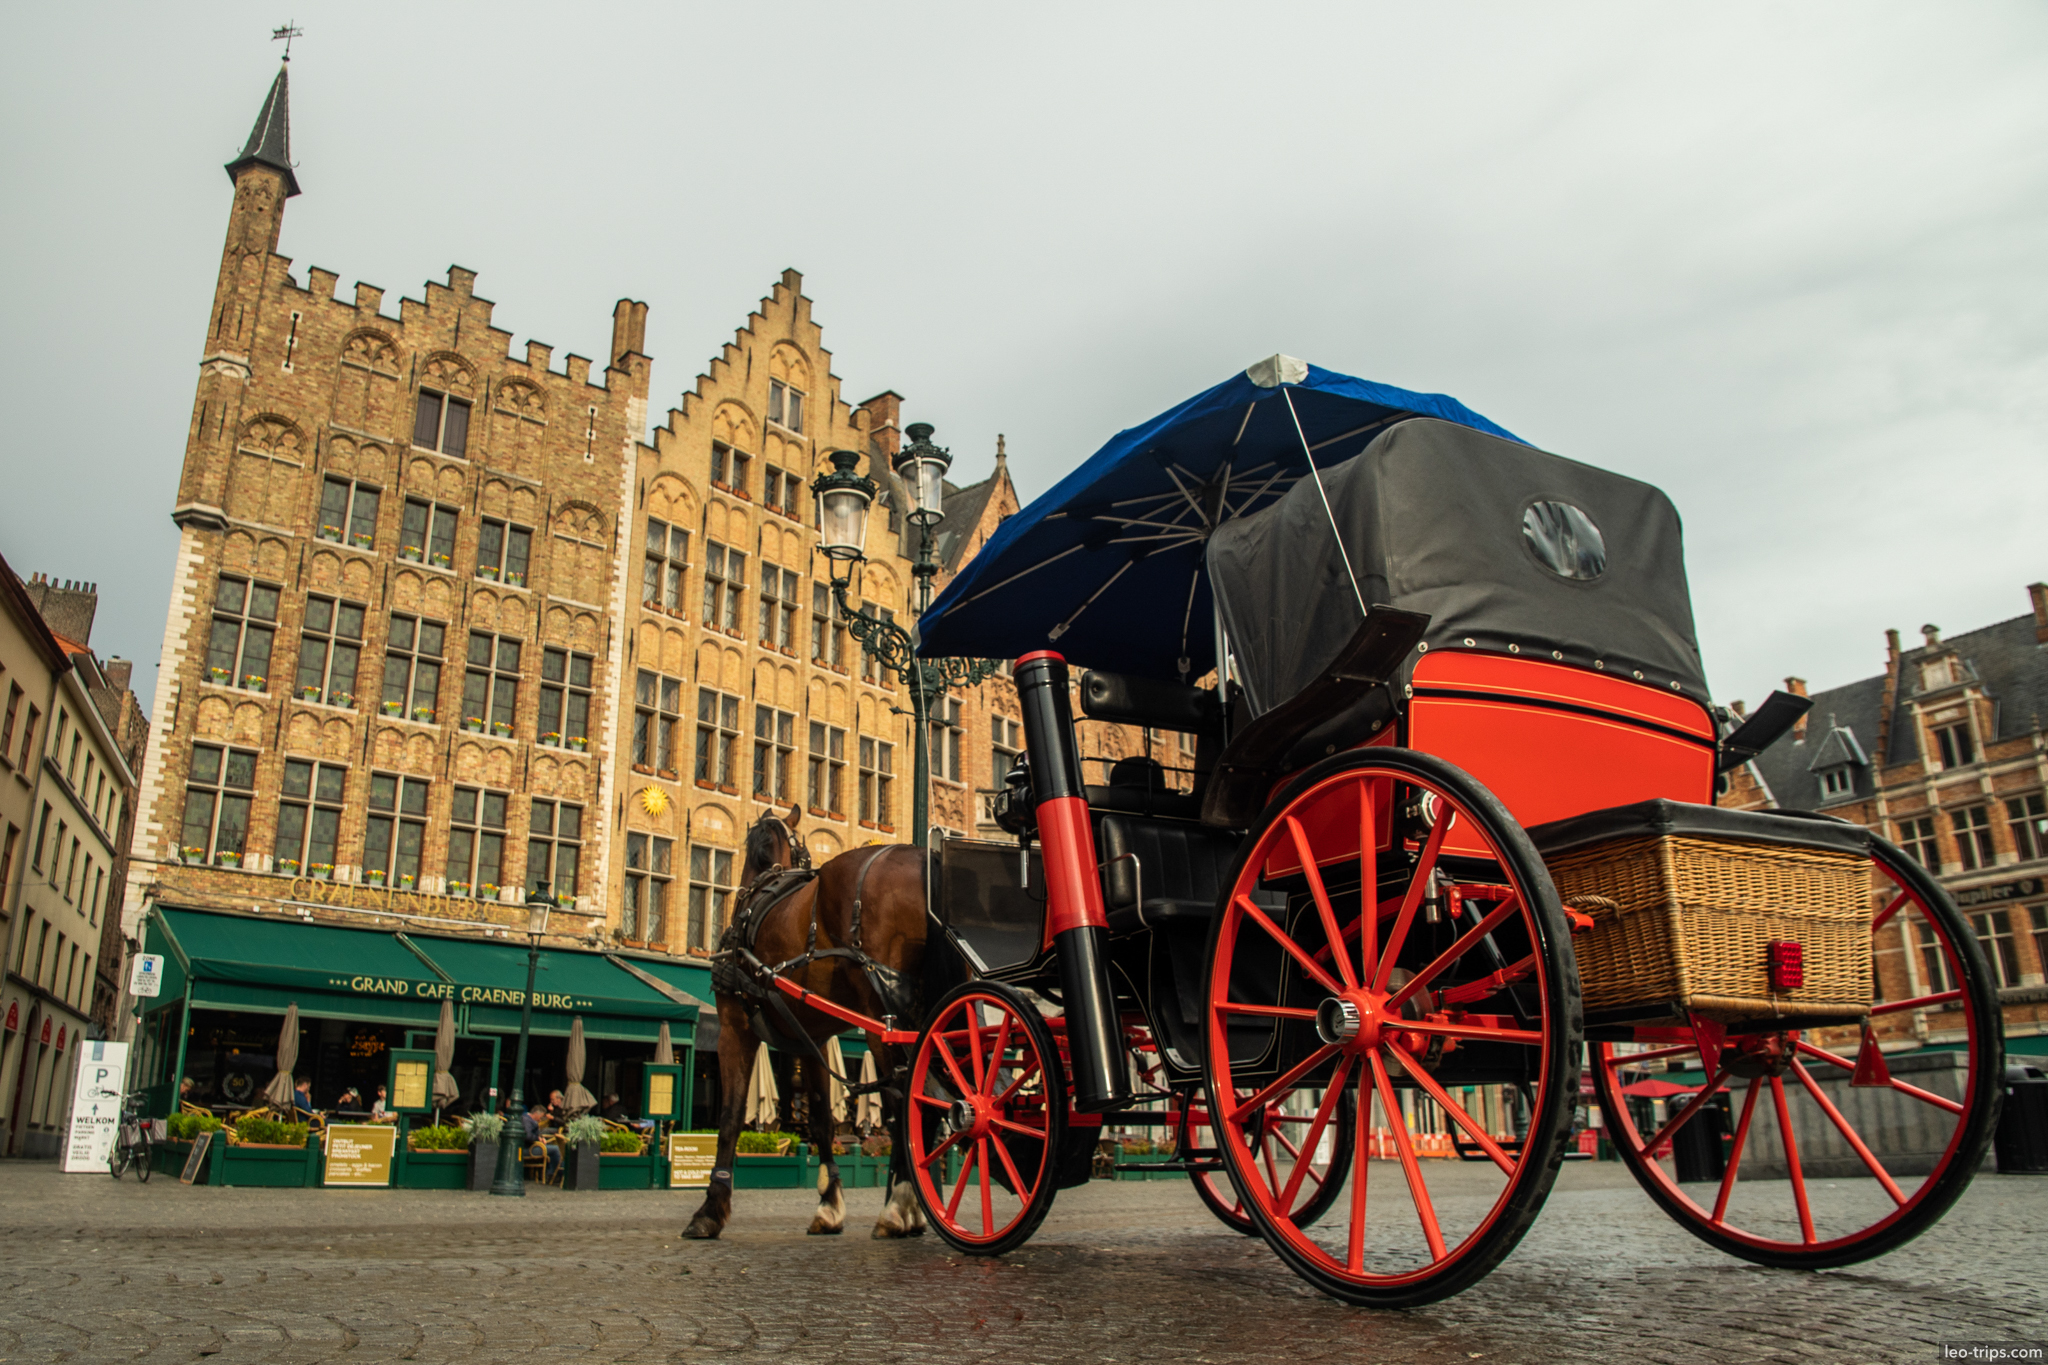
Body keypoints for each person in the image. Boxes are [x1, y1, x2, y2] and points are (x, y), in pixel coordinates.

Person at [523, 1102, 561, 1183]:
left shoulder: (527, 1119)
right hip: (528, 1149)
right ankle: (553, 1175)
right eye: (540, 1117)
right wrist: (538, 1139)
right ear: (536, 1113)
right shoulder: (527, 1120)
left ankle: (550, 1173)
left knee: (553, 1148)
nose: (540, 1120)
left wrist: (540, 1137)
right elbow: (528, 1136)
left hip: (533, 1146)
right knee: (556, 1150)